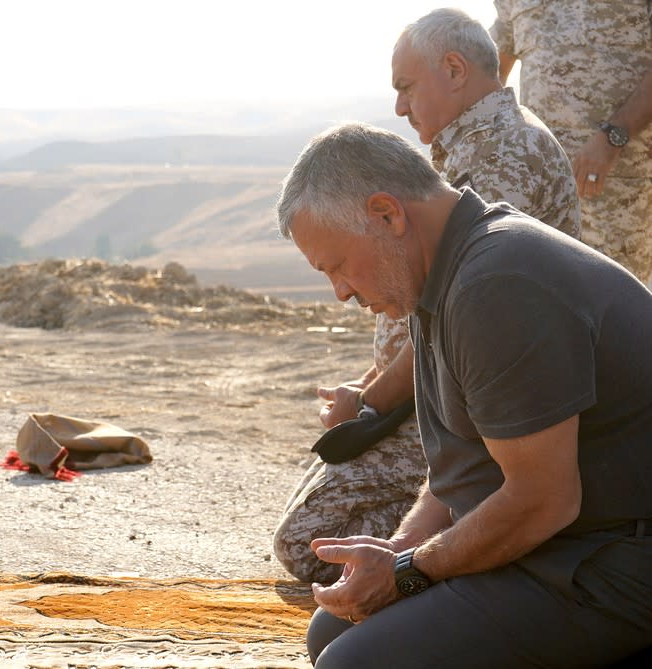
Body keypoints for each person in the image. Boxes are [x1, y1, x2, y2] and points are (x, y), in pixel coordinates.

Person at [276, 121, 652, 668]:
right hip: (566, 539)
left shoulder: (497, 284)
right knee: (331, 630)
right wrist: (400, 552)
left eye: (337, 266)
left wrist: (408, 575)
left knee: (352, 664)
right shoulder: (445, 269)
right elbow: (464, 463)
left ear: (387, 214)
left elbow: (544, 499)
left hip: (613, 558)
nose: (341, 292)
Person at [273, 7, 581, 584]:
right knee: (318, 511)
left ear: (455, 69)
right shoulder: (467, 151)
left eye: (406, 86)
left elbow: (457, 312)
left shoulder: (501, 157)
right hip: (430, 390)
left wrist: (372, 406)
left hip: (470, 396)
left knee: (307, 542)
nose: (399, 106)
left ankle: (477, 544)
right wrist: (367, 392)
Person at [490, 0, 652, 285]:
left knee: (616, 309)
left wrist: (614, 136)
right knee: (545, 305)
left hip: (617, 192)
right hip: (539, 189)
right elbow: (489, 68)